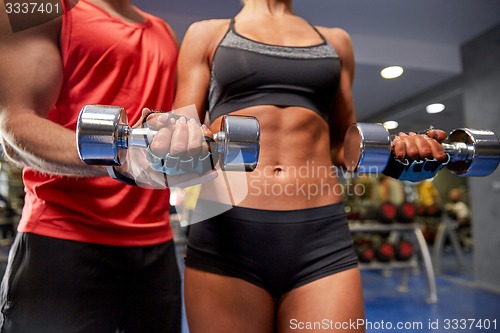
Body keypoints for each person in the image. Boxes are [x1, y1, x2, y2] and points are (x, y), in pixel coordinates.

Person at [173, 0, 449, 332]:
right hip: (226, 231)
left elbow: (343, 146)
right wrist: (169, 135)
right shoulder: (207, 34)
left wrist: (399, 154)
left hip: (320, 236)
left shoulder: (336, 42)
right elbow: (181, 135)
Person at [0, 0, 208, 331]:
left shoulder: (163, 32)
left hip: (155, 248)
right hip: (63, 240)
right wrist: (119, 161)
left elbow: (172, 136)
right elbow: (16, 128)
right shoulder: (41, 6)